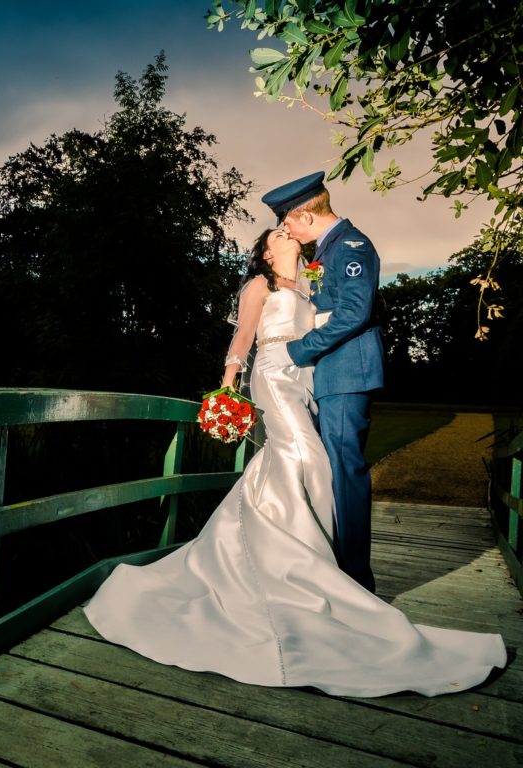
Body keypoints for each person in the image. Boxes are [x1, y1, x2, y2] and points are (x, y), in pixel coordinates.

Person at [82, 227, 506, 697]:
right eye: (279, 233)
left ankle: (280, 548)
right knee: (308, 456)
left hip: (306, 378)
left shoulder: (311, 283)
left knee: (292, 462)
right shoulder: (259, 286)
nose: (288, 232)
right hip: (273, 374)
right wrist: (227, 388)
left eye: (288, 229)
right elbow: (244, 336)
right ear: (267, 251)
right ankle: (303, 565)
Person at [264, 171, 383, 593]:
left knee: (345, 473)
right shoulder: (330, 249)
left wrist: (297, 351)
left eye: (288, 222)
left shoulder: (350, 246)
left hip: (347, 372)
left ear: (303, 215)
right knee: (331, 471)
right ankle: (339, 568)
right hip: (332, 373)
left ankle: (356, 581)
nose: (288, 230)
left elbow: (354, 312)